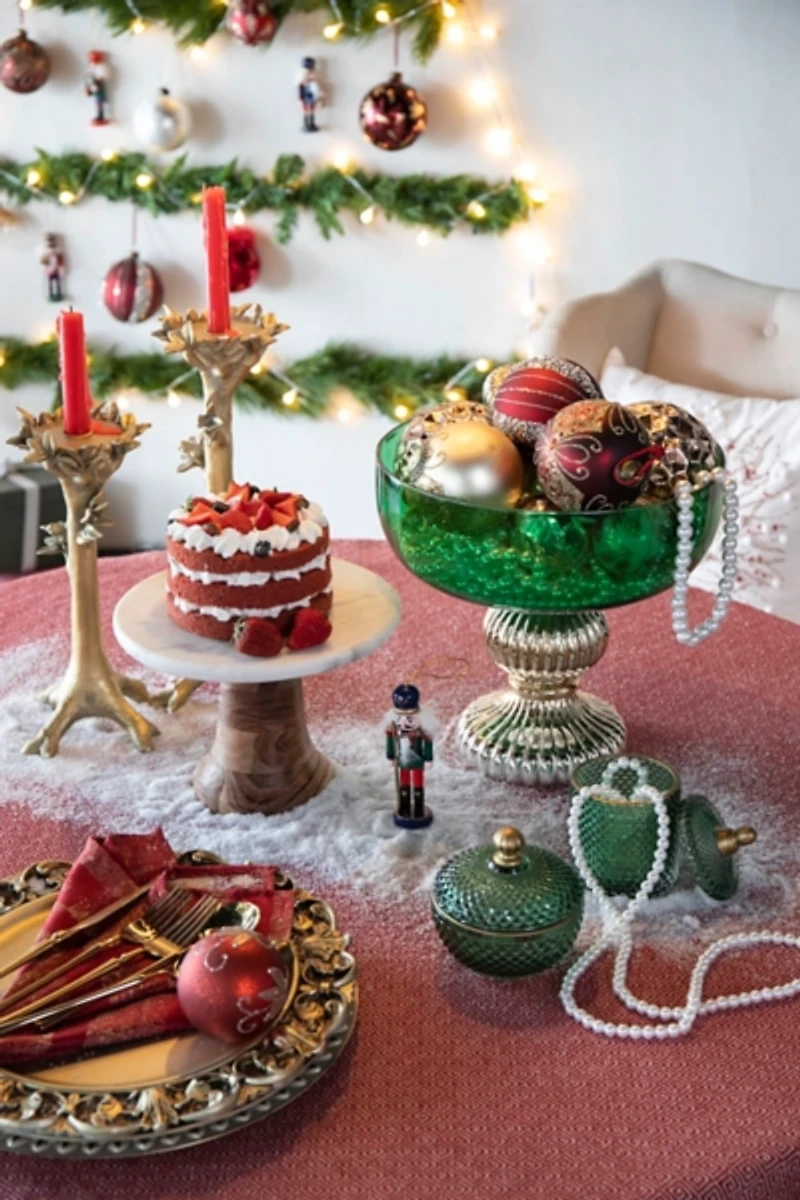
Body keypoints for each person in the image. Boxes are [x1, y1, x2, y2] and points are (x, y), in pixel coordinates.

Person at [385, 683, 434, 829]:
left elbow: (428, 746)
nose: (405, 723)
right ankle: (404, 807)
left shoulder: (422, 734)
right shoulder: (394, 733)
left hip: (418, 763)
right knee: (404, 784)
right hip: (403, 763)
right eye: (401, 719)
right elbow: (390, 745)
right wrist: (391, 755)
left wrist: (428, 756)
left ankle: (419, 808)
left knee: (418, 784)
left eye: (410, 719)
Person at [297, 57, 323, 132]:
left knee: (311, 112)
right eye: (307, 74)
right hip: (306, 100)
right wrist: (300, 99)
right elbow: (300, 93)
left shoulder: (314, 84)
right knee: (306, 112)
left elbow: (317, 91)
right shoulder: (302, 85)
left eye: (311, 74)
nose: (309, 76)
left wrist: (319, 96)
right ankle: (306, 124)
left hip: (312, 100)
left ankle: (311, 124)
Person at [85, 50, 110, 126]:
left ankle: (101, 116)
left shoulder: (101, 68)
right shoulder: (93, 68)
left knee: (99, 102)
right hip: (94, 87)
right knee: (97, 102)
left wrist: (94, 86)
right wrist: (89, 87)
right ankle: (99, 115)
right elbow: (89, 77)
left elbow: (101, 78)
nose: (93, 62)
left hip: (99, 87)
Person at [40, 233, 64, 303]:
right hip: (50, 271)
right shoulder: (46, 257)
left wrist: (61, 269)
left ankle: (58, 293)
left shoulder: (57, 256)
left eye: (53, 247)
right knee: (50, 283)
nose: (51, 249)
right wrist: (45, 268)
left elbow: (60, 263)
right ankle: (51, 294)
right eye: (49, 247)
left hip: (56, 271)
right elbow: (44, 263)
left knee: (57, 282)